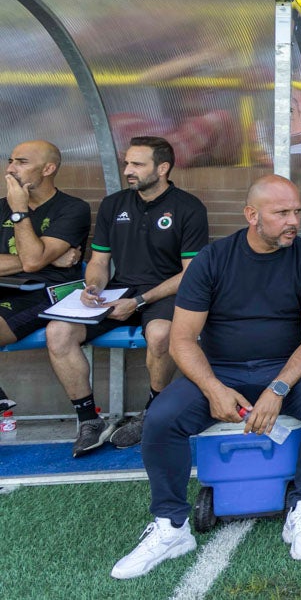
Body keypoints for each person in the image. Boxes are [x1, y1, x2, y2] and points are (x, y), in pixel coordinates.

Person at [110, 176, 301, 578]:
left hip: (286, 368)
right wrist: (214, 389)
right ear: (252, 215)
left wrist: (278, 388)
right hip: (221, 370)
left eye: (297, 212)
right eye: (282, 213)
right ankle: (171, 526)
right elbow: (182, 340)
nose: (294, 221)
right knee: (162, 417)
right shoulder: (213, 259)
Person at [43, 137, 206, 455]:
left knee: (161, 334)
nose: (128, 171)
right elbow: (100, 262)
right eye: (127, 163)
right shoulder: (114, 204)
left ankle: (152, 412)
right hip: (119, 290)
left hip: (165, 291)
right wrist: (93, 288)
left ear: (162, 168)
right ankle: (89, 419)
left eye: (137, 164)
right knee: (58, 331)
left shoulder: (188, 208)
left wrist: (141, 301)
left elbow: (191, 274)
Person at [0, 140, 91, 412]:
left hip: (48, 291)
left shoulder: (73, 208)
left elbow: (32, 262)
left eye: (22, 162)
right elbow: (31, 260)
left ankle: (88, 418)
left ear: (49, 168)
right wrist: (45, 257)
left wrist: (19, 210)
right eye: (11, 161)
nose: (11, 168)